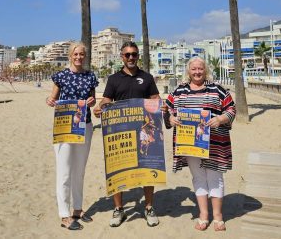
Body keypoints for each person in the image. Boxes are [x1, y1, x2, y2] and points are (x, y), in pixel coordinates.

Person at [93, 41, 161, 228]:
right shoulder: (114, 79)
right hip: (120, 132)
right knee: (118, 168)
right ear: (121, 57)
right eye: (127, 55)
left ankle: (148, 207)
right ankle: (119, 209)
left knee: (147, 167)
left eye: (134, 54)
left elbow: (155, 98)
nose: (131, 58)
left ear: (138, 56)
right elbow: (107, 99)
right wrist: (101, 107)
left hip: (143, 131)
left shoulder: (147, 78)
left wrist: (159, 103)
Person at [165, 57, 236, 232]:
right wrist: (171, 119)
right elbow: (166, 109)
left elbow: (231, 109)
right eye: (194, 69)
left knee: (215, 177)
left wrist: (220, 119)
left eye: (200, 69)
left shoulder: (217, 89)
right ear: (188, 71)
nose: (197, 72)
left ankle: (218, 216)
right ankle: (204, 215)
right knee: (198, 178)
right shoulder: (179, 91)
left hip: (215, 143)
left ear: (206, 71)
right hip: (190, 144)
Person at [46, 42, 98, 231]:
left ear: (85, 56)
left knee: (79, 170)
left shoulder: (90, 76)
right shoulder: (61, 76)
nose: (78, 57)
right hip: (64, 128)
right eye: (75, 54)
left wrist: (91, 102)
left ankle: (77, 209)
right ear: (70, 55)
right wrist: (50, 100)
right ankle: (64, 214)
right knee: (64, 171)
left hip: (85, 126)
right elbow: (51, 98)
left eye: (81, 54)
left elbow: (91, 100)